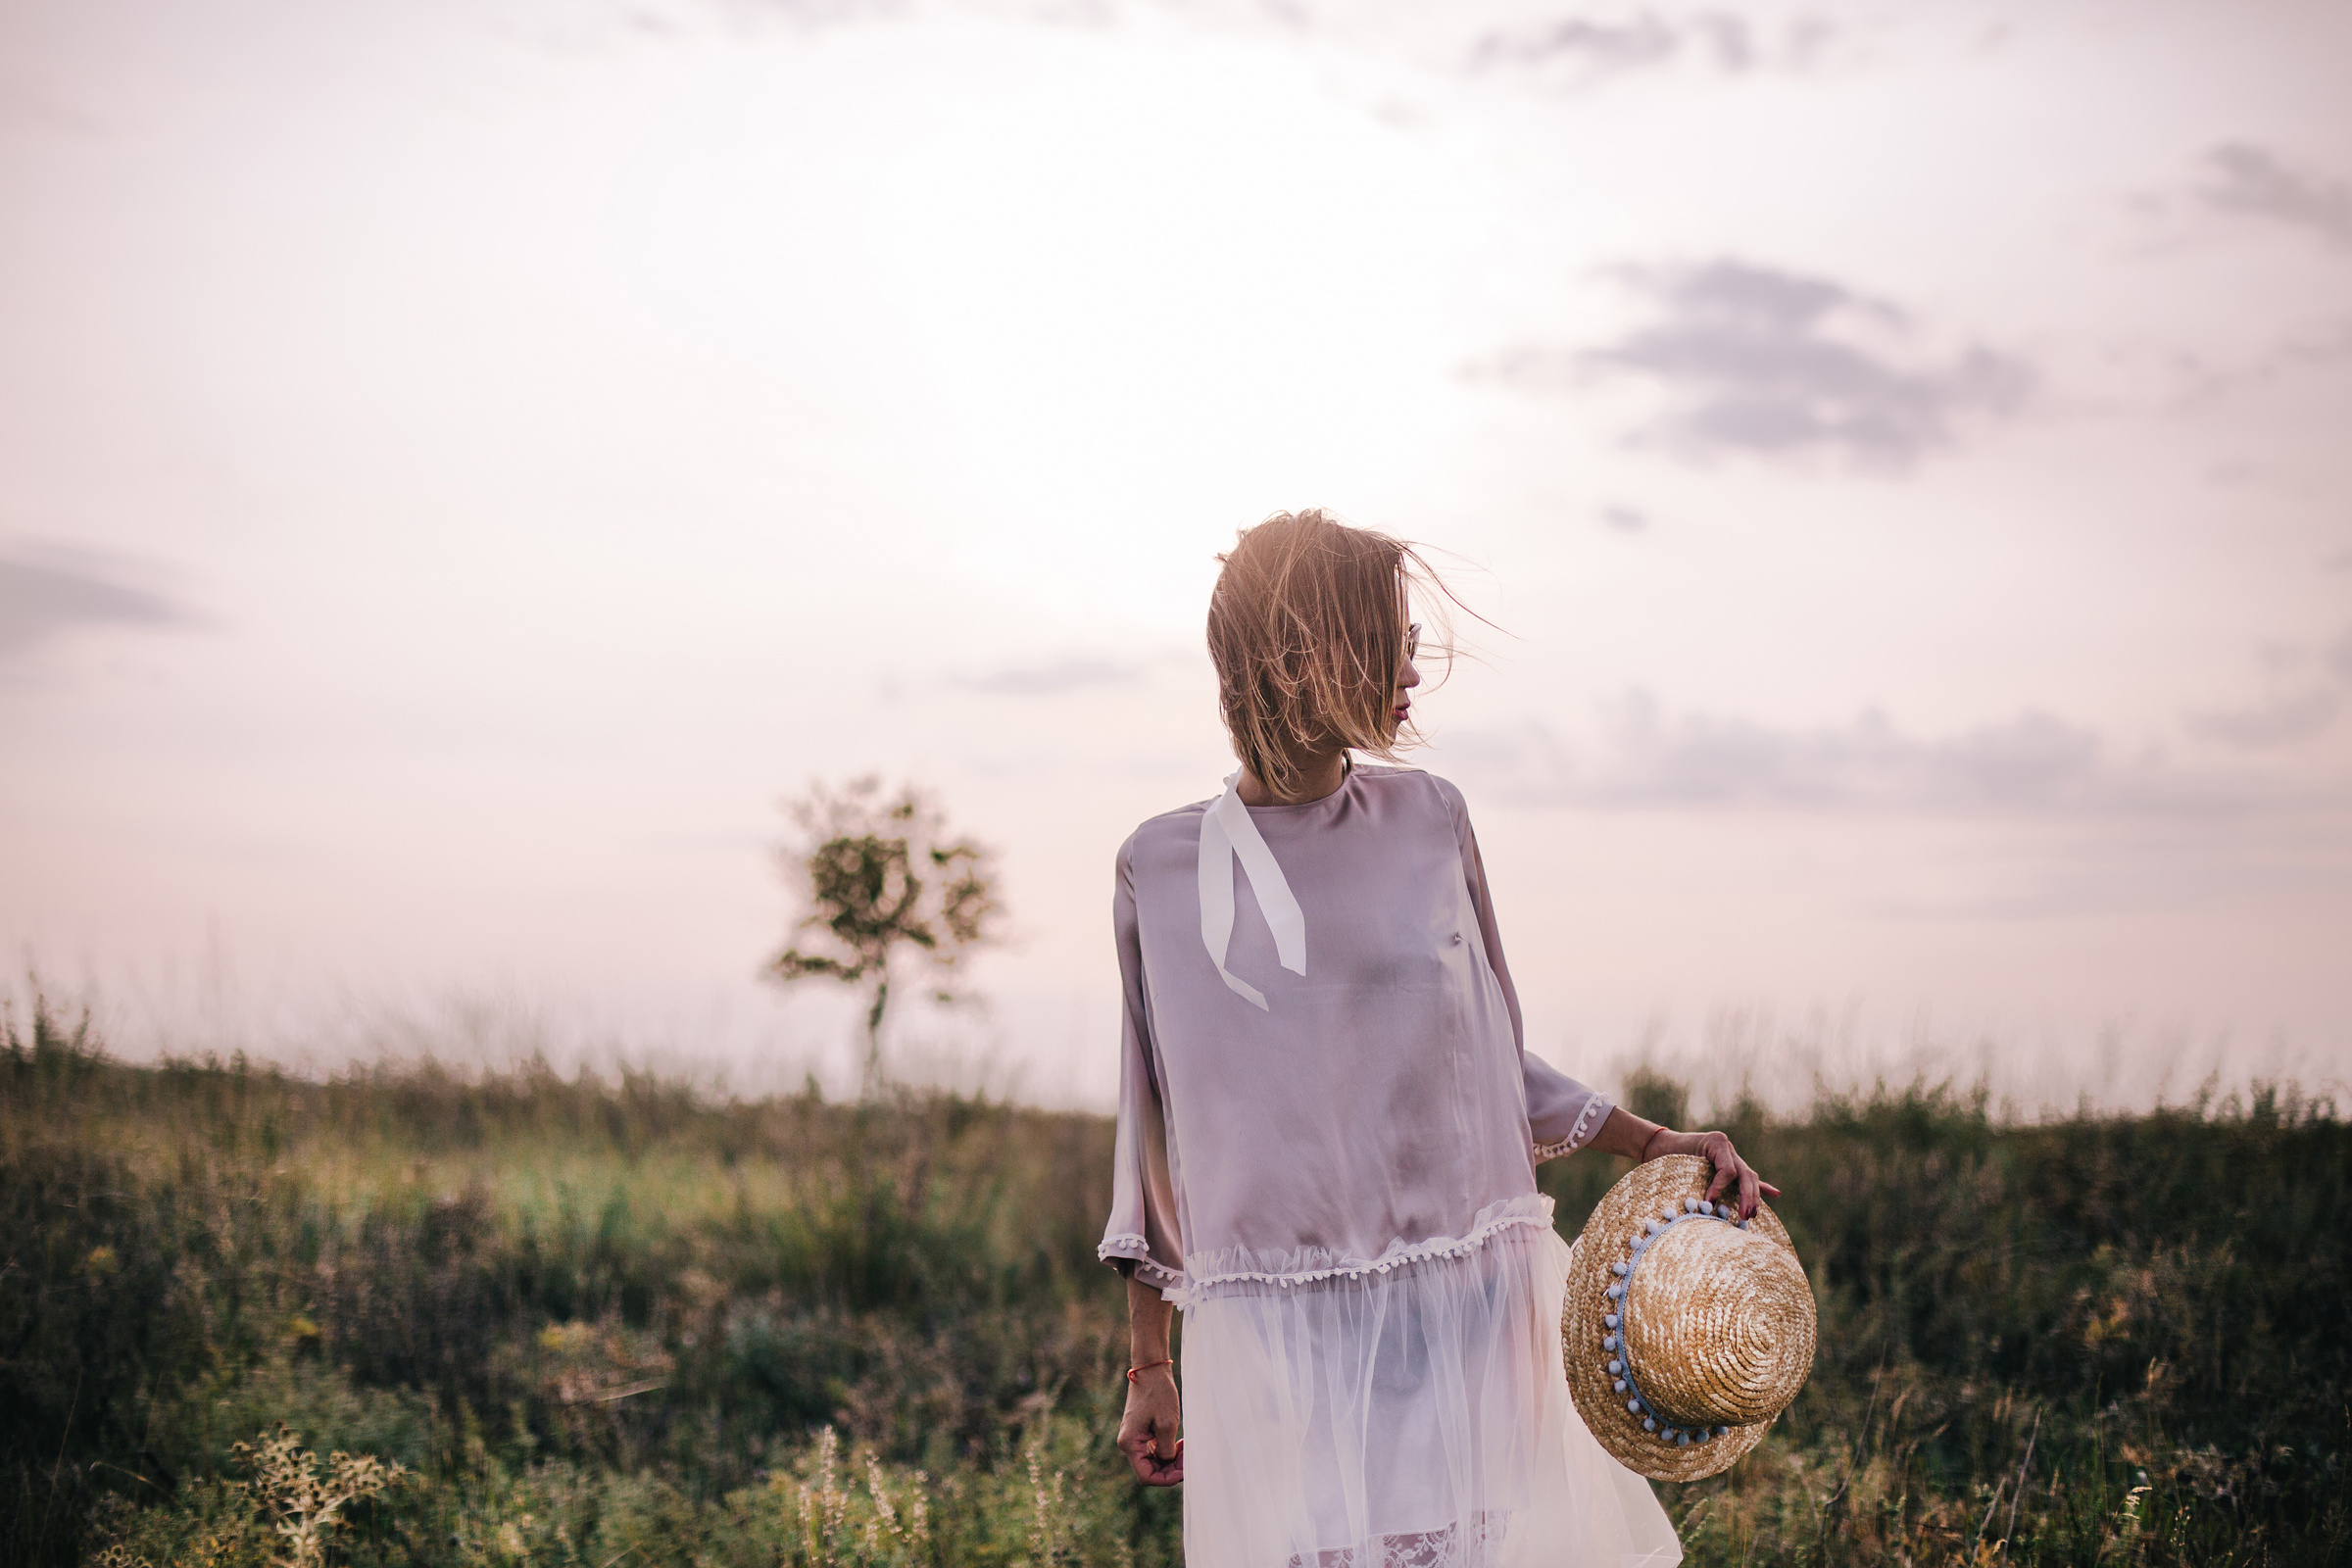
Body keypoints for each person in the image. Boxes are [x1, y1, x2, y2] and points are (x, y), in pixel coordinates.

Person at [1098, 511, 1781, 1568]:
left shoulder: (1432, 818)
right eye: (1392, 635)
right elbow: (1157, 1124)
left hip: (1461, 1306)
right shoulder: (1160, 866)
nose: (1415, 663)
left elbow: (1489, 1057)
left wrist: (1651, 1143)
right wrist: (1151, 1359)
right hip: (1282, 1333)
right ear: (1302, 657)